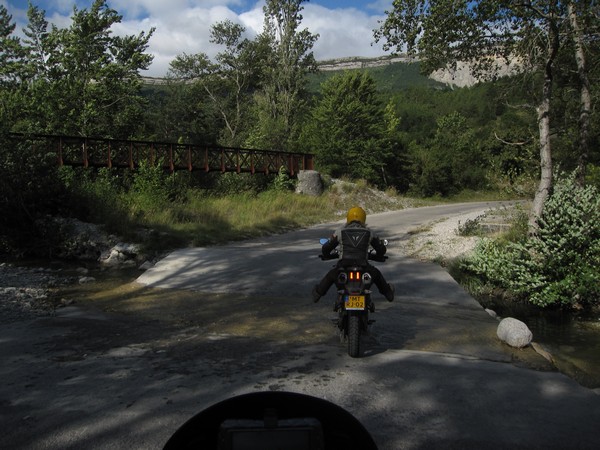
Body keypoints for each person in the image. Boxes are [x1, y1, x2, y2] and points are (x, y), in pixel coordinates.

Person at [312, 206, 394, 303]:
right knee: (376, 274)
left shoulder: (340, 231)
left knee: (331, 275)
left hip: (344, 265)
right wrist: (379, 255)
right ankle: (388, 294)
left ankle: (317, 294)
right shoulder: (369, 232)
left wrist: (326, 255)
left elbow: (326, 247)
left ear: (348, 218)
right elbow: (381, 249)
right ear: (363, 218)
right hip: (363, 266)